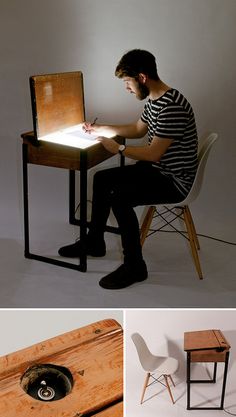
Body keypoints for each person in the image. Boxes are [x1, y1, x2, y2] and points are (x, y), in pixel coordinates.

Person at [59, 49, 198, 289]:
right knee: (102, 179)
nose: (127, 88)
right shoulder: (157, 100)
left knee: (121, 199)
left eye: (127, 82)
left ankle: (135, 267)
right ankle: (94, 242)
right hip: (159, 171)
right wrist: (101, 129)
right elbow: (137, 129)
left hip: (174, 181)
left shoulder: (171, 106)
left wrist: (119, 149)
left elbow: (154, 153)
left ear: (142, 77)